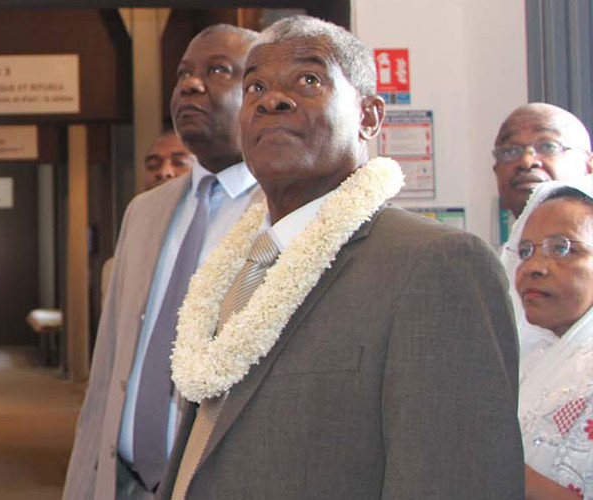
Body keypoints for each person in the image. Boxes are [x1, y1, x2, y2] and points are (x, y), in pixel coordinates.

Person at [157, 16, 523, 499]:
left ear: (369, 117)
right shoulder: (231, 269)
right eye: (256, 86)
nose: (272, 99)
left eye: (309, 79)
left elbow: (456, 481)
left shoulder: (435, 266)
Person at [65, 24, 261, 500]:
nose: (191, 85)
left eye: (218, 71)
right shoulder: (145, 212)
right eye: (183, 74)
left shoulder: (284, 216)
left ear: (260, 94)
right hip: (125, 482)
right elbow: (109, 366)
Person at [508, 179, 593, 500]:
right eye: (525, 251)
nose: (534, 267)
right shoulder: (525, 362)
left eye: (561, 248)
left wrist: (493, 466)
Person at [495, 103, 593, 362]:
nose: (526, 161)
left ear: (589, 164)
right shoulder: (491, 267)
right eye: (510, 151)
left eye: (548, 146)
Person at [102, 130, 200, 300]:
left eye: (180, 162)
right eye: (153, 165)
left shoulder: (221, 245)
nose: (164, 172)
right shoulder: (119, 265)